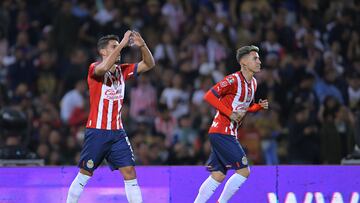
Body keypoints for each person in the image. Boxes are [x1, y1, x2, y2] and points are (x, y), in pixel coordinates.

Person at [66, 30, 155, 203]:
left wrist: (142, 44)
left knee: (130, 172)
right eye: (113, 47)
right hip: (97, 132)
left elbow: (149, 64)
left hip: (117, 133)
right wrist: (122, 43)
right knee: (85, 174)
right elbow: (104, 67)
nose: (119, 50)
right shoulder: (94, 68)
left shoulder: (123, 71)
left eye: (119, 47)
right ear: (103, 52)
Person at [194, 45, 268, 203]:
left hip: (226, 133)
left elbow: (245, 107)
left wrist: (258, 107)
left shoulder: (253, 83)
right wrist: (229, 114)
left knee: (218, 175)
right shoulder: (233, 80)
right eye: (255, 58)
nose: (259, 62)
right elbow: (209, 96)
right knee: (244, 171)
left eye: (259, 58)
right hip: (222, 131)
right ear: (243, 62)